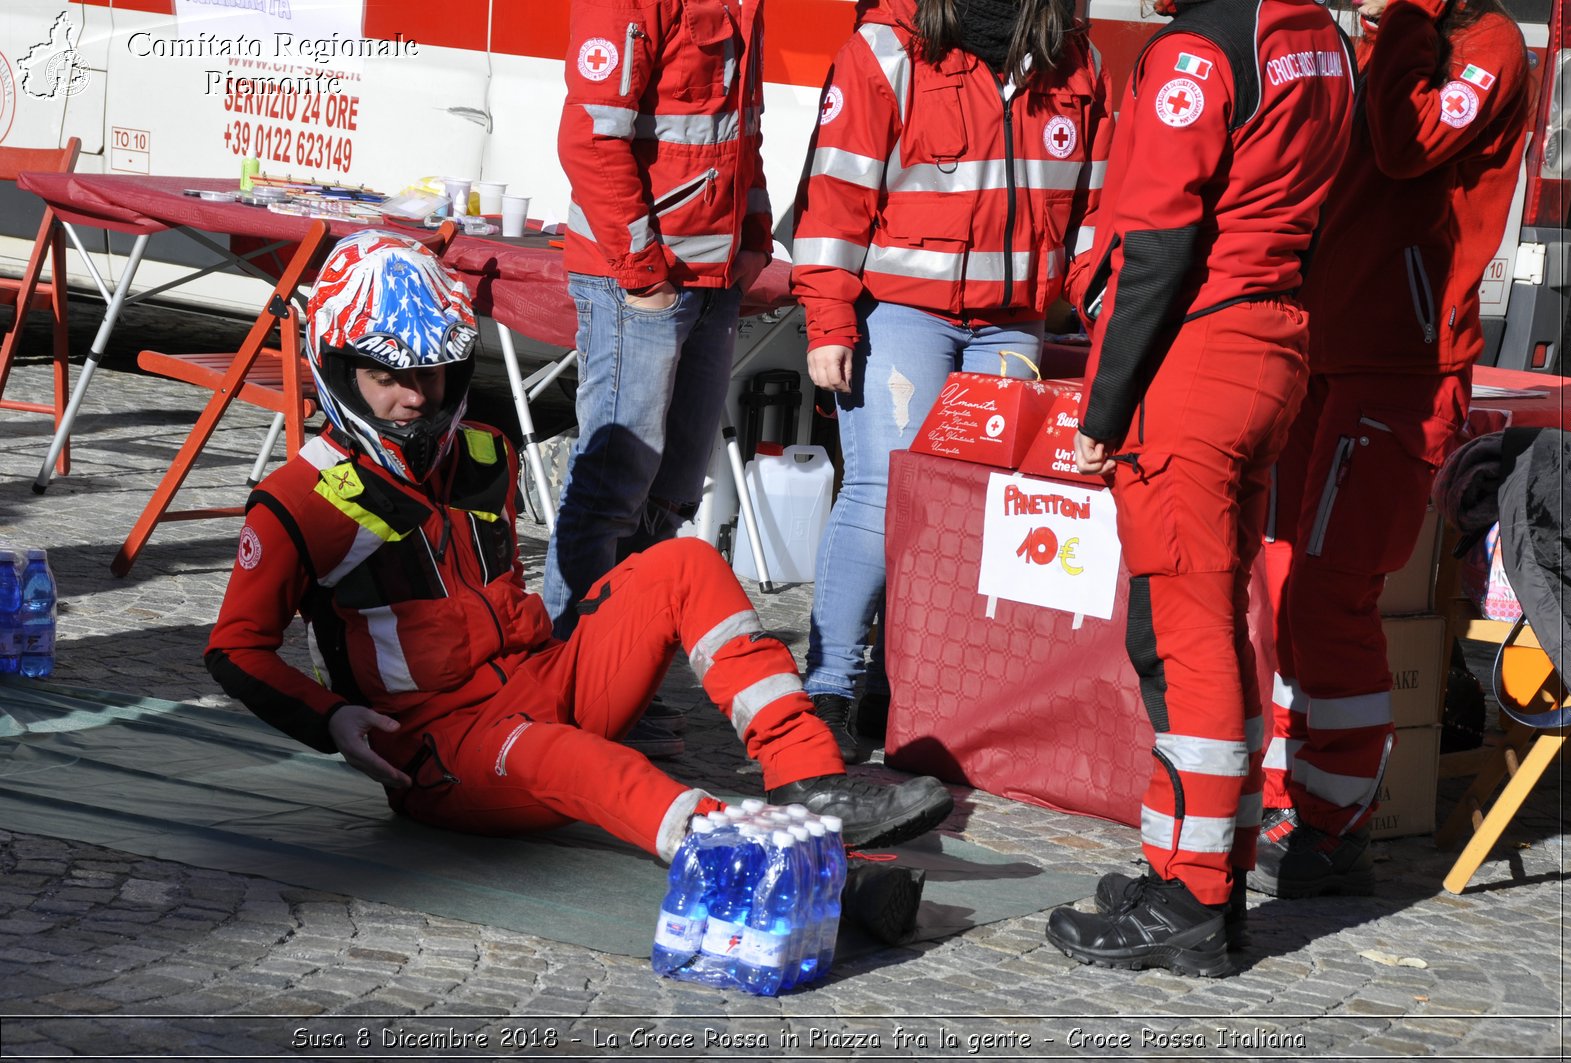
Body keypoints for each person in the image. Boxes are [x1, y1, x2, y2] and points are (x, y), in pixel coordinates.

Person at [205, 232, 955, 867]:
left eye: (433, 374)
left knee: (685, 561)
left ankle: (810, 781)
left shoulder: (485, 452)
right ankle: (753, 858)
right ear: (339, 369)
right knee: (573, 760)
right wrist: (331, 716)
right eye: (387, 378)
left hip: (545, 682)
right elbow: (237, 648)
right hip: (441, 752)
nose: (416, 397)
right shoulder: (298, 499)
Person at [1043, 0, 1355, 976]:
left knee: (1181, 637)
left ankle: (1192, 897)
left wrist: (1101, 411)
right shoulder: (1320, 38)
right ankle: (1188, 861)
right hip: (1269, 340)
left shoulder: (1201, 48)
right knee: (1216, 625)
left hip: (1197, 358)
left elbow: (1156, 243)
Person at [1251, 0, 1530, 898]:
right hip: (1328, 347)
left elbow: (1409, 143)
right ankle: (1286, 793)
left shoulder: (1487, 45)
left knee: (1333, 590)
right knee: (1288, 576)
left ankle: (1337, 827)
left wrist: (1400, 20)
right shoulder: (1380, 35)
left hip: (1402, 366)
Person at [790, 0, 1113, 761]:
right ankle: (830, 684)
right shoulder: (886, 49)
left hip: (1011, 322)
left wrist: (1107, 325)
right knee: (886, 492)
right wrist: (829, 320)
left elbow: (1099, 213)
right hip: (902, 311)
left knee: (973, 519)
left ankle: (908, 692)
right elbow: (836, 196)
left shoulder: (1076, 61)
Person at [544, 0, 772, 662]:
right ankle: (571, 675)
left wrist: (753, 235)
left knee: (669, 495)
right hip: (639, 281)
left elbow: (742, 132)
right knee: (614, 486)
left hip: (709, 281)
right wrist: (644, 273)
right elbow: (589, 138)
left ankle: (623, 670)